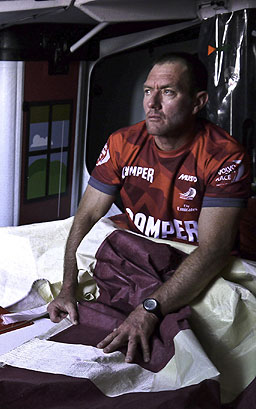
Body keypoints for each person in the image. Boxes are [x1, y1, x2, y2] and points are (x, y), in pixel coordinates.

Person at [48, 52, 252, 364]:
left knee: (207, 348)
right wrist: (68, 285)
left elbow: (214, 250)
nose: (152, 103)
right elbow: (88, 215)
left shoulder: (224, 155)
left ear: (198, 102)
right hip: (140, 256)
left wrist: (150, 309)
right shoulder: (122, 143)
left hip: (196, 265)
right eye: (147, 91)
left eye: (168, 92)